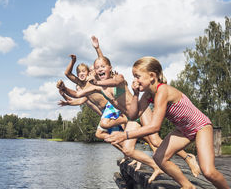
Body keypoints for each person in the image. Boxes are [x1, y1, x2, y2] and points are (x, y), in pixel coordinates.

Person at [70, 36, 201, 177]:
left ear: (109, 69)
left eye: (102, 68)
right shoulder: (98, 85)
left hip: (140, 110)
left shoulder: (114, 79)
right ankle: (156, 166)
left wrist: (97, 48)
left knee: (155, 140)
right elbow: (83, 89)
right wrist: (64, 91)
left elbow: (104, 63)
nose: (99, 70)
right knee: (129, 149)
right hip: (130, 117)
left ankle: (188, 157)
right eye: (96, 69)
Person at [105, 56, 231, 189]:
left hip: (200, 126)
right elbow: (133, 115)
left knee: (208, 172)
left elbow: (154, 126)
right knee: (159, 158)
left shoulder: (162, 91)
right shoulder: (147, 95)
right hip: (183, 130)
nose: (135, 80)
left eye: (138, 76)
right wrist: (135, 93)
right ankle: (187, 186)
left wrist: (125, 135)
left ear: (152, 76)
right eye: (134, 76)